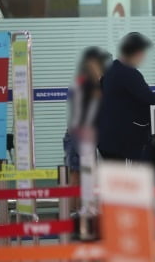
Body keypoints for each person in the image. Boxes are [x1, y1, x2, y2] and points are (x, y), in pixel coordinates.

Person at [97, 32, 155, 161]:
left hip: (107, 137)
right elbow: (148, 97)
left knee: (115, 176)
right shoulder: (129, 73)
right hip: (122, 140)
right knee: (123, 178)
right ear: (138, 53)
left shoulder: (111, 69)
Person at [63, 47, 110, 210]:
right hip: (79, 136)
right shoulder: (84, 83)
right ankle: (71, 216)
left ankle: (82, 215)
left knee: (85, 178)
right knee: (76, 178)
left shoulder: (94, 83)